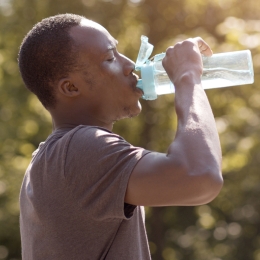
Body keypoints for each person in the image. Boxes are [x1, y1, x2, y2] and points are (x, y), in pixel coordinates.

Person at [18, 13, 223, 260]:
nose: (130, 65)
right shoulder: (78, 149)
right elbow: (200, 176)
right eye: (110, 58)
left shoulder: (49, 159)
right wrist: (187, 77)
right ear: (71, 87)